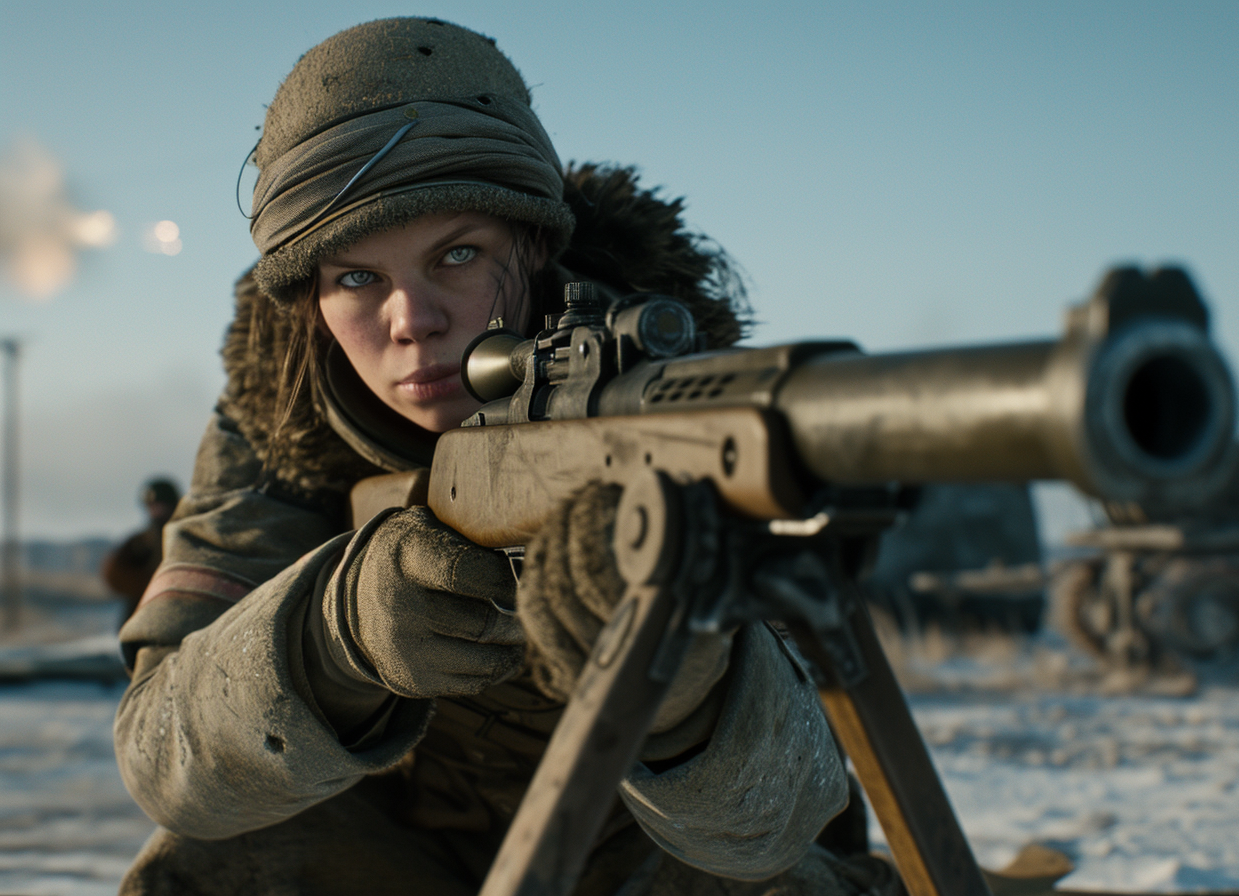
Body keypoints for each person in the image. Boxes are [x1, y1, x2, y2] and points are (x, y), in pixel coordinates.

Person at [113, 18, 898, 896]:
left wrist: (682, 686)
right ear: (311, 303)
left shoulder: (690, 406)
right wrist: (336, 642)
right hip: (395, 845)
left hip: (638, 850)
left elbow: (778, 823)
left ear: (531, 247)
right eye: (357, 279)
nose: (413, 319)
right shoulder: (276, 426)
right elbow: (162, 762)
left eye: (457, 254)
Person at [101, 477, 180, 625]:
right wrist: (153, 585)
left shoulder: (185, 538)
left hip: (178, 616)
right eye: (152, 507)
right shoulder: (140, 542)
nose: (156, 512)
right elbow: (113, 574)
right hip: (140, 618)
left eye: (161, 506)